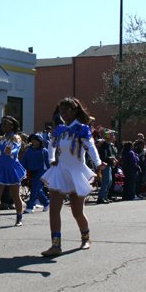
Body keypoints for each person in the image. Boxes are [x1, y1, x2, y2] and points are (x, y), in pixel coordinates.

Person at [40, 98, 104, 256]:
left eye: (66, 110)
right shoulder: (60, 129)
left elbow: (90, 146)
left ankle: (86, 237)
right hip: (60, 170)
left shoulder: (82, 128)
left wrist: (98, 163)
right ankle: (56, 245)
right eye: (61, 110)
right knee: (54, 209)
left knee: (77, 212)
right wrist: (51, 159)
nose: (63, 113)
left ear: (75, 111)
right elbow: (51, 145)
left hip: (76, 171)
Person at [0, 116, 26, 228]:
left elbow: (17, 149)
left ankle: (19, 218)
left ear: (12, 125)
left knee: (15, 195)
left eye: (6, 124)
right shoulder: (0, 139)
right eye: (2, 124)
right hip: (1, 167)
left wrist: (10, 151)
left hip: (12, 167)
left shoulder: (16, 138)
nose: (3, 126)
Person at [21, 133, 50, 212]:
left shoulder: (44, 151)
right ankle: (46, 202)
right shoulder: (29, 150)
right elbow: (24, 161)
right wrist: (21, 169)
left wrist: (51, 173)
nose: (33, 141)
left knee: (35, 189)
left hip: (41, 172)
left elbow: (48, 163)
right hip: (31, 172)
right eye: (33, 139)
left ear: (39, 141)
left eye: (35, 139)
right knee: (38, 189)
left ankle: (30, 206)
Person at [97, 131, 118, 203]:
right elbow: (104, 157)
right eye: (113, 136)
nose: (114, 138)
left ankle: (105, 196)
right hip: (104, 165)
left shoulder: (110, 145)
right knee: (105, 181)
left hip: (109, 165)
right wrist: (111, 158)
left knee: (109, 181)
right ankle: (101, 197)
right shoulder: (104, 145)